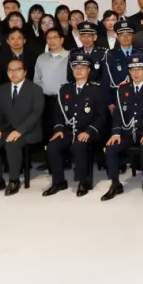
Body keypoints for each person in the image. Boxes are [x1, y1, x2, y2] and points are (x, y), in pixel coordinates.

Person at [43, 53, 108, 197]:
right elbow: (58, 114)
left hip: (90, 132)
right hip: (68, 131)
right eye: (76, 67)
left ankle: (83, 181)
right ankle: (58, 181)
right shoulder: (64, 90)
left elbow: (102, 116)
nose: (79, 70)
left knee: (79, 145)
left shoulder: (96, 90)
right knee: (53, 145)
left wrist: (89, 131)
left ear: (89, 70)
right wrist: (59, 129)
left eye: (83, 67)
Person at [102, 54, 143, 201]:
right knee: (111, 148)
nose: (136, 73)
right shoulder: (122, 89)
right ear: (129, 71)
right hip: (127, 133)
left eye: (139, 69)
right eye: (132, 69)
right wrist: (116, 133)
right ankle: (115, 184)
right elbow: (117, 114)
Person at [0, 59, 44, 197]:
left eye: (17, 70)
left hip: (29, 131)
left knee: (12, 144)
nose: (13, 73)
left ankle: (14, 180)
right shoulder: (2, 89)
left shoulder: (35, 89)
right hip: (7, 130)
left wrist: (19, 131)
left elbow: (35, 114)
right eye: (10, 70)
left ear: (25, 72)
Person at [33, 28, 70, 145]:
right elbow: (37, 80)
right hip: (46, 100)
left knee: (63, 130)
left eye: (55, 37)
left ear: (62, 39)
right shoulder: (41, 58)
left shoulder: (70, 56)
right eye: (48, 38)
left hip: (65, 99)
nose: (51, 41)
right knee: (47, 129)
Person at [102, 21, 141, 104]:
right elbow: (106, 80)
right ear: (117, 36)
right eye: (122, 35)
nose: (125, 37)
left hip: (139, 97)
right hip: (117, 97)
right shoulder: (110, 55)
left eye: (128, 34)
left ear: (133, 36)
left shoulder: (141, 53)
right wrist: (109, 102)